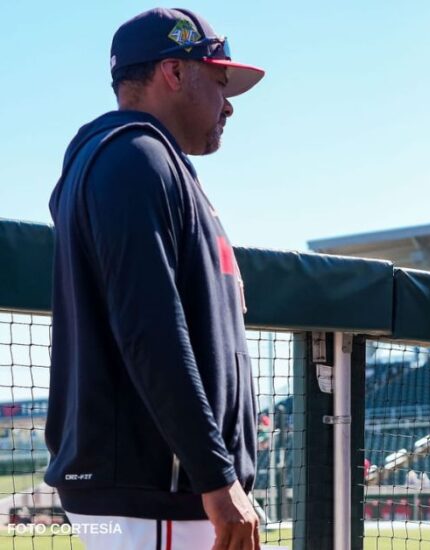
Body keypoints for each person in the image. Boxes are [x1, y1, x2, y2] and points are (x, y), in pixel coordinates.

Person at [46, 8, 265, 550]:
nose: (229, 104)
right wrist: (216, 478)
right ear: (173, 72)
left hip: (160, 492)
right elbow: (151, 330)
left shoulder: (145, 161)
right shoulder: (134, 158)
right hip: (157, 492)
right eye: (218, 81)